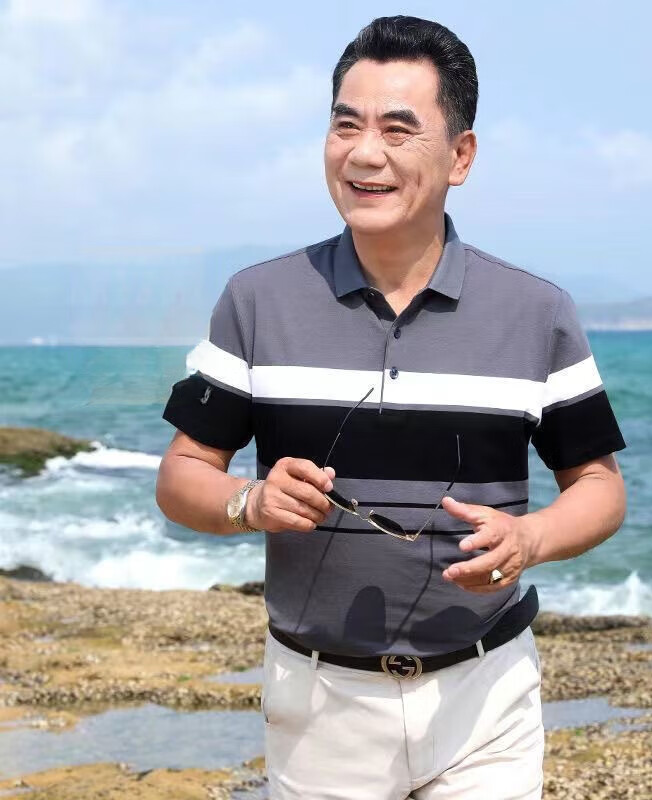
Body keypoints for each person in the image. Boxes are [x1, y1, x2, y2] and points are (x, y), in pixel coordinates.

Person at [157, 14, 627, 800]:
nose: (364, 153)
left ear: (461, 156)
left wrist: (531, 537)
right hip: (318, 702)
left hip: (487, 696)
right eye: (346, 125)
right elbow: (181, 477)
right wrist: (251, 501)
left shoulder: (536, 310)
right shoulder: (256, 300)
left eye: (398, 129)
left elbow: (601, 488)